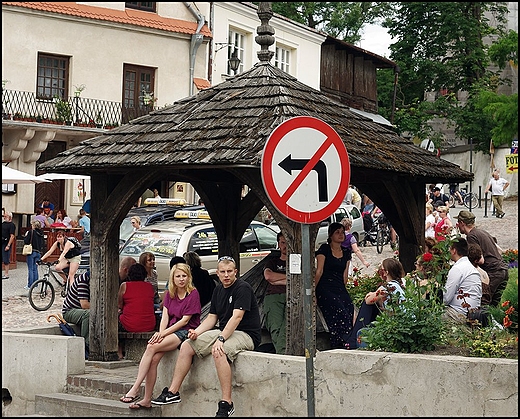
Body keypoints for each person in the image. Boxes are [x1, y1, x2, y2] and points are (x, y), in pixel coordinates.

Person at [151, 256, 261, 418]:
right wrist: (197, 331)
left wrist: (221, 339)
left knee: (219, 351)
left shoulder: (242, 288)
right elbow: (211, 318)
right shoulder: (218, 289)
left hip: (246, 333)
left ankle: (226, 403)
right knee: (187, 345)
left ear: (235, 272)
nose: (226, 275)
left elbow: (236, 317)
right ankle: (173, 392)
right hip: (223, 329)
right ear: (217, 273)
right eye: (222, 272)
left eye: (229, 271)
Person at [120, 262, 201, 409]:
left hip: (186, 330)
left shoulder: (193, 293)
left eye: (184, 276)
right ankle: (146, 399)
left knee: (151, 346)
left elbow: (185, 320)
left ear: (189, 278)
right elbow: (165, 316)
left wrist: (162, 334)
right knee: (154, 359)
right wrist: (160, 333)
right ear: (173, 278)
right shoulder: (170, 293)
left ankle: (136, 387)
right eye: (178, 276)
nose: (181, 279)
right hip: (171, 330)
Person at [344, 258, 406, 349]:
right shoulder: (400, 285)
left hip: (397, 323)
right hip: (402, 320)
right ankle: (354, 339)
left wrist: (369, 294)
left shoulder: (388, 287)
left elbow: (369, 300)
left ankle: (353, 341)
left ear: (386, 272)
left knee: (368, 304)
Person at [454, 210, 508, 306]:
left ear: (462, 223)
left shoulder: (471, 236)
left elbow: (479, 259)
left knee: (482, 304)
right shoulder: (482, 232)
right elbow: (499, 250)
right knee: (493, 306)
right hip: (503, 270)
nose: (457, 225)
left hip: (493, 273)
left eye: (458, 222)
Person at [314, 222, 354, 349]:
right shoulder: (324, 249)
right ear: (331, 235)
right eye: (337, 232)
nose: (341, 235)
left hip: (339, 287)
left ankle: (347, 340)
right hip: (325, 287)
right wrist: (313, 291)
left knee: (349, 306)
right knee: (337, 307)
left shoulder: (346, 252)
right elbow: (319, 271)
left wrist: (344, 290)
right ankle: (338, 341)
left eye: (342, 232)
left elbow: (345, 275)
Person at [118, 263, 157, 359]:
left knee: (114, 323)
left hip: (129, 324)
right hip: (149, 324)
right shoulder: (150, 286)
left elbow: (119, 305)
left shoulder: (124, 285)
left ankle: (119, 349)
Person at [442, 238, 482, 324]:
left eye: (450, 248)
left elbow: (446, 298)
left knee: (430, 315)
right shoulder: (470, 267)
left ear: (454, 250)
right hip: (473, 313)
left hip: (459, 313)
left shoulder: (458, 268)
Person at [262, 232, 287, 355]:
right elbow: (268, 276)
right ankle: (282, 354)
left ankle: (281, 355)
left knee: (287, 327)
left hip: (291, 297)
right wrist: (289, 279)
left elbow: (301, 279)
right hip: (273, 297)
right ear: (278, 244)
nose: (285, 246)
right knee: (275, 327)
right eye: (282, 243)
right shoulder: (272, 262)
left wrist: (278, 280)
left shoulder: (296, 263)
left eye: (287, 243)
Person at [62, 269, 90, 357]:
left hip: (79, 310)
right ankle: (86, 345)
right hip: (69, 311)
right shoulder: (83, 280)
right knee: (88, 314)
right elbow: (84, 305)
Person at [23, 219, 45, 289]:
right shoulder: (41, 233)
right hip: (38, 252)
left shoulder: (31, 232)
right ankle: (35, 283)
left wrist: (26, 236)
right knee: (35, 268)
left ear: (34, 225)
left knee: (30, 268)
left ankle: (30, 285)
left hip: (31, 251)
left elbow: (26, 241)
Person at [2, 211, 16, 280]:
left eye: (6, 216)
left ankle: (6, 273)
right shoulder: (3, 224)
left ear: (10, 217)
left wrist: (8, 245)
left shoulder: (12, 225)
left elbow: (12, 236)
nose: (4, 217)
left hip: (6, 243)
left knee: (6, 259)